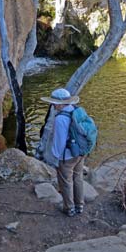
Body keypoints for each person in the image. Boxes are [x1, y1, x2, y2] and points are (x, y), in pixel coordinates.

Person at [41, 88, 84, 217]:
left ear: (59, 104)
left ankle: (69, 208)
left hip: (68, 156)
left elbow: (59, 142)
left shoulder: (60, 119)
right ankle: (79, 205)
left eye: (54, 103)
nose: (53, 106)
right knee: (78, 178)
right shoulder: (76, 111)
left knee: (66, 182)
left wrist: (56, 158)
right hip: (80, 152)